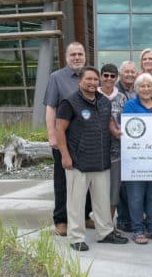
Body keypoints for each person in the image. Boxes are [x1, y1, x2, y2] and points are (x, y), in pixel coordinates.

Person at [55, 66, 129, 251]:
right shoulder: (70, 102)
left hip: (101, 161)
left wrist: (115, 131)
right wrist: (65, 155)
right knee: (76, 203)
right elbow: (59, 130)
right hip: (78, 162)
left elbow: (109, 121)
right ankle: (76, 238)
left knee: (102, 201)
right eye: (88, 79)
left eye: (95, 79)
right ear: (80, 81)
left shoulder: (104, 101)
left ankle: (105, 233)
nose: (92, 83)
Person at [43, 42, 93, 236]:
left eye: (80, 54)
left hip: (88, 139)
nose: (77, 57)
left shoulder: (90, 75)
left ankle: (85, 215)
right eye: (73, 54)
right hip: (64, 139)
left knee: (88, 179)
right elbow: (50, 107)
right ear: (66, 57)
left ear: (85, 57)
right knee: (63, 181)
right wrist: (51, 134)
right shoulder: (57, 78)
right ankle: (61, 220)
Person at [123, 73, 152, 244]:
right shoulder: (130, 106)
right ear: (136, 89)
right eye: (142, 86)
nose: (146, 88)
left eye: (149, 85)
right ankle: (137, 230)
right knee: (135, 196)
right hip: (135, 159)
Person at [97, 63, 127, 236]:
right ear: (101, 77)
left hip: (117, 151)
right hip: (96, 151)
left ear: (116, 78)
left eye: (112, 76)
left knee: (114, 190)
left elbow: (127, 121)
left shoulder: (122, 98)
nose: (109, 79)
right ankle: (101, 224)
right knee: (98, 190)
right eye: (106, 75)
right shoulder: (93, 95)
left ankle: (109, 225)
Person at [113, 60, 137, 232]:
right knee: (121, 185)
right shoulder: (114, 92)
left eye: (132, 72)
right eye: (126, 72)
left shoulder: (138, 90)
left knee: (133, 184)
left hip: (136, 144)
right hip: (118, 143)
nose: (130, 74)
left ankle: (134, 217)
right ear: (121, 74)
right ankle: (123, 220)